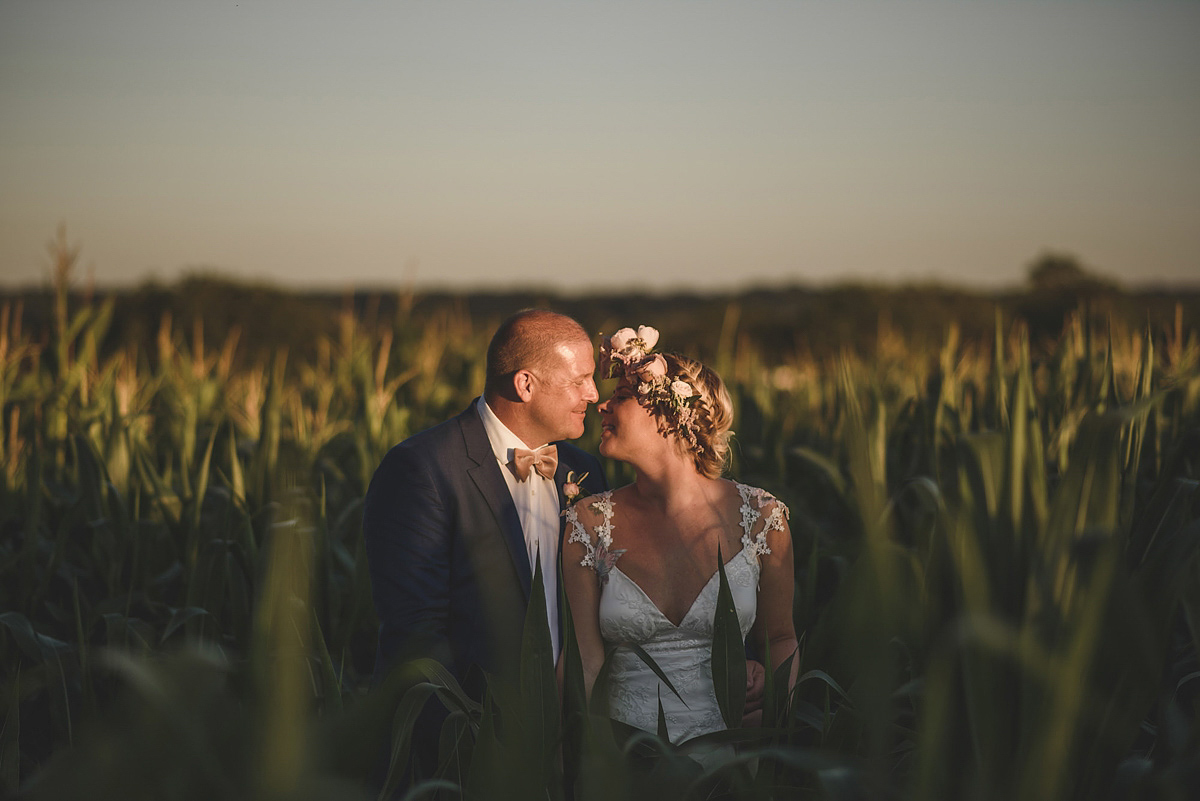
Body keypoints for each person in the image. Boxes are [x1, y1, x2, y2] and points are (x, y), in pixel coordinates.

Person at [362, 309, 608, 771]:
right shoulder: (422, 469)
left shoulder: (583, 470)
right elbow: (416, 636)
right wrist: (467, 747)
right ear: (526, 385)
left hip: (567, 745)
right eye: (581, 380)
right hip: (464, 746)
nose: (594, 395)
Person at [562, 326, 798, 748]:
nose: (602, 405)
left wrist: (774, 713)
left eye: (622, 397)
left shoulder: (762, 519)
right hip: (628, 761)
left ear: (672, 414)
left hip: (734, 762)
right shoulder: (589, 523)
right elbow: (585, 662)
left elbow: (779, 639)